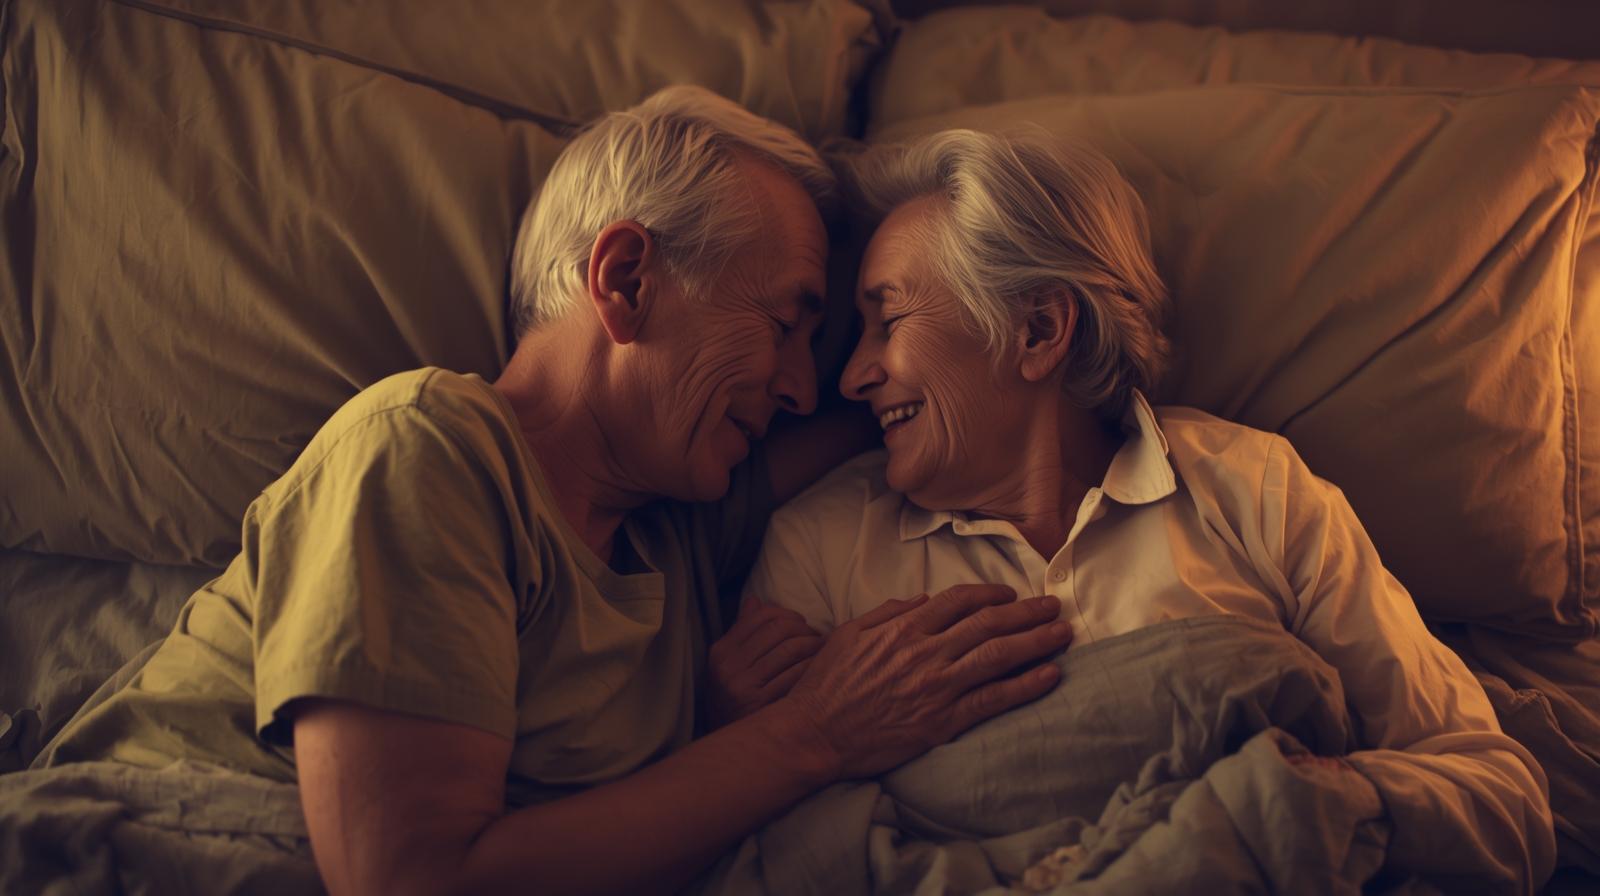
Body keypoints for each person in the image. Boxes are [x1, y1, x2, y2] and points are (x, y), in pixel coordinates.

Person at [31, 89, 1075, 894]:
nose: (808, 383)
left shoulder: (675, 530)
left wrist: (1055, 332)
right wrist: (814, 733)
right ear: (624, 279)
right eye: (787, 320)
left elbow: (943, 396)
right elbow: (410, 880)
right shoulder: (426, 447)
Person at [742, 129, 1557, 890]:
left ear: (1037, 329)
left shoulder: (1253, 492)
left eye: (887, 321)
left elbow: (1500, 797)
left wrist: (1300, 805)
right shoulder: (819, 547)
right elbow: (771, 856)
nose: (851, 377)